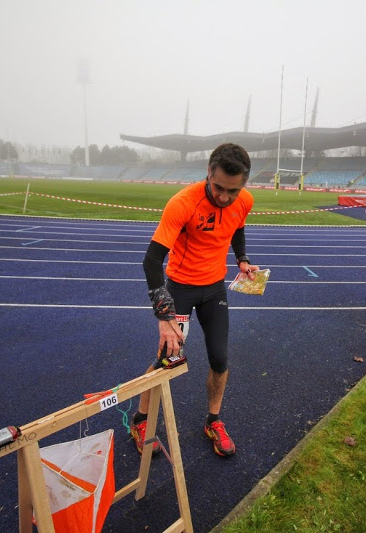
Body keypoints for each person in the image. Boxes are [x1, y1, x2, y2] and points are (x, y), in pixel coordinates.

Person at [131, 142, 259, 457]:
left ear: (243, 184)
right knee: (167, 360)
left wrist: (241, 258)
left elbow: (237, 228)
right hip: (181, 291)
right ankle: (141, 420)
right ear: (208, 173)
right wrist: (164, 316)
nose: (224, 198)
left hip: (214, 289)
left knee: (220, 358)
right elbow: (151, 261)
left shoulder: (244, 200)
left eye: (233, 191)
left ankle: (213, 420)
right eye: (218, 188)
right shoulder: (183, 203)